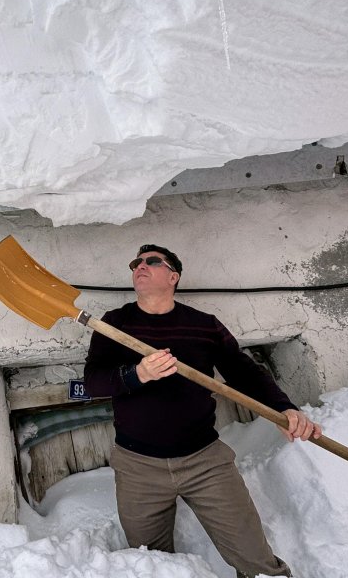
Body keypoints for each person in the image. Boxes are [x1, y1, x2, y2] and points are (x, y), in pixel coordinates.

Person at [83, 244, 322, 578]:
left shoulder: (203, 325)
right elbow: (93, 383)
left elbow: (245, 372)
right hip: (138, 467)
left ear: (173, 276)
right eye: (136, 262)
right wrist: (138, 374)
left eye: (152, 261)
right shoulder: (114, 324)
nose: (140, 265)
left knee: (256, 561)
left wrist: (283, 408)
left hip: (205, 461)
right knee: (152, 565)